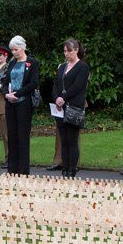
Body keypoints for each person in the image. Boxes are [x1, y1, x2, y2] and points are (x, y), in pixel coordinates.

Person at [51, 39, 90, 178]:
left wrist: (64, 98)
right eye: (64, 51)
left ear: (76, 50)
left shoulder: (82, 67)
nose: (66, 54)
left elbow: (78, 86)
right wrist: (56, 98)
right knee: (64, 139)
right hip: (60, 108)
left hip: (74, 107)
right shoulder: (61, 67)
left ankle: (72, 169)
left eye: (69, 51)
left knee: (72, 139)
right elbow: (55, 84)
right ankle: (65, 167)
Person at [1, 35, 39, 176]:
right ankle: (12, 169)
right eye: (12, 50)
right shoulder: (11, 63)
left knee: (23, 136)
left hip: (24, 103)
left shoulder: (32, 63)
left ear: (22, 48)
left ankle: (23, 170)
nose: (14, 52)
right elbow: (5, 81)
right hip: (10, 103)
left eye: (16, 49)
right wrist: (6, 94)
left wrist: (17, 94)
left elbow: (33, 83)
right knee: (12, 135)